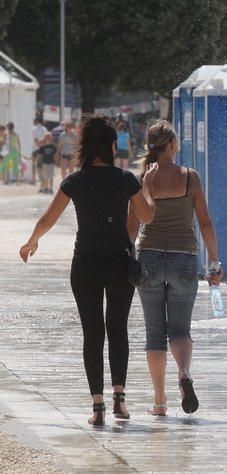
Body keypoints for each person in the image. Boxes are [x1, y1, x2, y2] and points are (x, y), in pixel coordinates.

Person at [19, 114, 158, 426]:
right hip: (120, 263)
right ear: (112, 145)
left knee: (92, 333)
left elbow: (47, 219)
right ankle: (119, 400)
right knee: (118, 328)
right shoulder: (126, 179)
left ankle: (97, 407)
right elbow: (147, 215)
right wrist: (147, 185)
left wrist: (32, 242)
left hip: (86, 263)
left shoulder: (75, 181)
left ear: (84, 145)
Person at [126, 119, 222, 417]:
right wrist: (215, 263)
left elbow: (132, 227)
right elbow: (205, 222)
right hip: (184, 259)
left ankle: (159, 401)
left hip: (150, 259)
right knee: (180, 329)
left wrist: (128, 260)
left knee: (155, 333)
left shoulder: (142, 178)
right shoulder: (190, 177)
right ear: (173, 145)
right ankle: (183, 373)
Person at [31, 117, 48, 186]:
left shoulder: (34, 128)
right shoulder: (44, 129)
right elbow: (45, 139)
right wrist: (42, 146)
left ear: (36, 121)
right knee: (41, 165)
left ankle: (34, 180)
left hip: (35, 148)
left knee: (34, 164)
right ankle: (43, 181)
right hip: (43, 148)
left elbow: (35, 139)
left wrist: (38, 145)